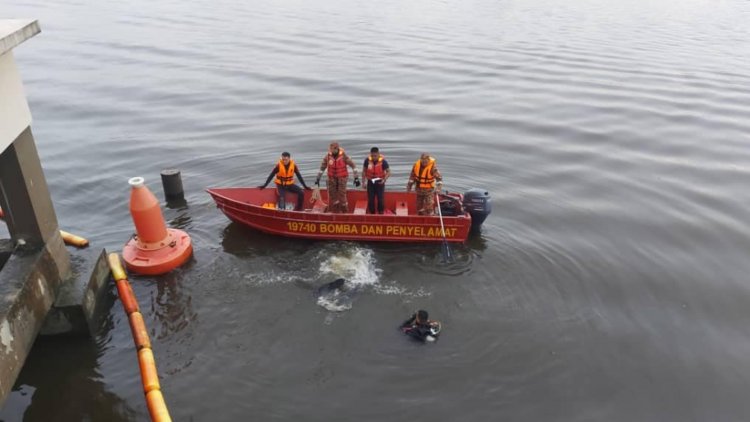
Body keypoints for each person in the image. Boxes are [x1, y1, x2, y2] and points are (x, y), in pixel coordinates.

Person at [315, 141, 359, 213]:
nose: (331, 151)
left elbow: (353, 166)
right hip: (331, 178)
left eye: (333, 150)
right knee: (332, 195)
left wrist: (356, 178)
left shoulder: (344, 156)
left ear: (337, 149)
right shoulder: (328, 157)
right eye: (330, 149)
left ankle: (345, 212)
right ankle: (336, 211)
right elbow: (322, 168)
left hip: (342, 178)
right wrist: (318, 179)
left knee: (342, 196)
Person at [363, 147, 391, 214]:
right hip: (370, 182)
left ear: (378, 154)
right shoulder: (367, 161)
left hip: (380, 182)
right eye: (372, 156)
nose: (374, 157)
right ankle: (372, 213)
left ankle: (380, 212)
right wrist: (363, 182)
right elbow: (364, 171)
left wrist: (384, 180)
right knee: (371, 199)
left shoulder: (383, 162)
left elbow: (389, 172)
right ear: (370, 154)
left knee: (380, 199)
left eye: (375, 156)